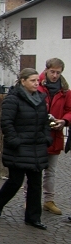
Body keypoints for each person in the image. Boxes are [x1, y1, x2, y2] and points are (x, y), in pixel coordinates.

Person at [0, 68, 51, 230]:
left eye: (37, 81)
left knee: (35, 184)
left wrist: (47, 138)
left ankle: (33, 217)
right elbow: (7, 122)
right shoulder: (13, 99)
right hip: (18, 148)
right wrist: (15, 140)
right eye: (32, 81)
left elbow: (45, 122)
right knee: (15, 181)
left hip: (36, 147)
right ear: (23, 81)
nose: (36, 84)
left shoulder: (40, 99)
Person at [34, 58, 71, 215]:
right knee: (34, 170)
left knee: (51, 170)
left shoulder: (65, 91)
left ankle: (49, 200)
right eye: (52, 72)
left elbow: (69, 110)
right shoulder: (37, 87)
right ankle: (31, 200)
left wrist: (64, 120)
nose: (55, 75)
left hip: (55, 134)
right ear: (46, 70)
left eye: (58, 72)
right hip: (37, 135)